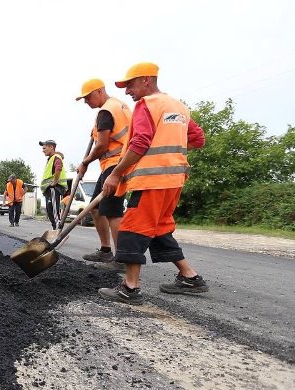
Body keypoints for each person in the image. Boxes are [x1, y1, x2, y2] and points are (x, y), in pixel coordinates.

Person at [98, 62, 208, 305]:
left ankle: (130, 288)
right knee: (159, 229)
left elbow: (140, 143)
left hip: (152, 180)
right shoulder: (178, 107)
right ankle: (190, 277)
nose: (127, 91)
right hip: (174, 180)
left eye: (130, 85)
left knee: (131, 228)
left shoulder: (147, 105)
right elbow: (198, 139)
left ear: (146, 80)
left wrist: (116, 173)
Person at [75, 78, 133, 270]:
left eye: (88, 97)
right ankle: (105, 250)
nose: (86, 102)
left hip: (116, 165)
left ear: (99, 91)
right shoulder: (119, 106)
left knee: (112, 211)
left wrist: (84, 162)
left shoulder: (106, 111)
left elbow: (102, 145)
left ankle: (122, 259)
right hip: (114, 164)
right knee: (97, 208)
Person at [39, 139, 67, 230]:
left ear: (51, 147)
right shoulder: (51, 158)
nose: (43, 150)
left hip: (54, 188)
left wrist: (54, 182)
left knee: (54, 210)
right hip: (49, 189)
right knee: (50, 210)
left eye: (44, 148)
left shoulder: (56, 157)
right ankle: (55, 228)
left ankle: (57, 230)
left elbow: (58, 168)